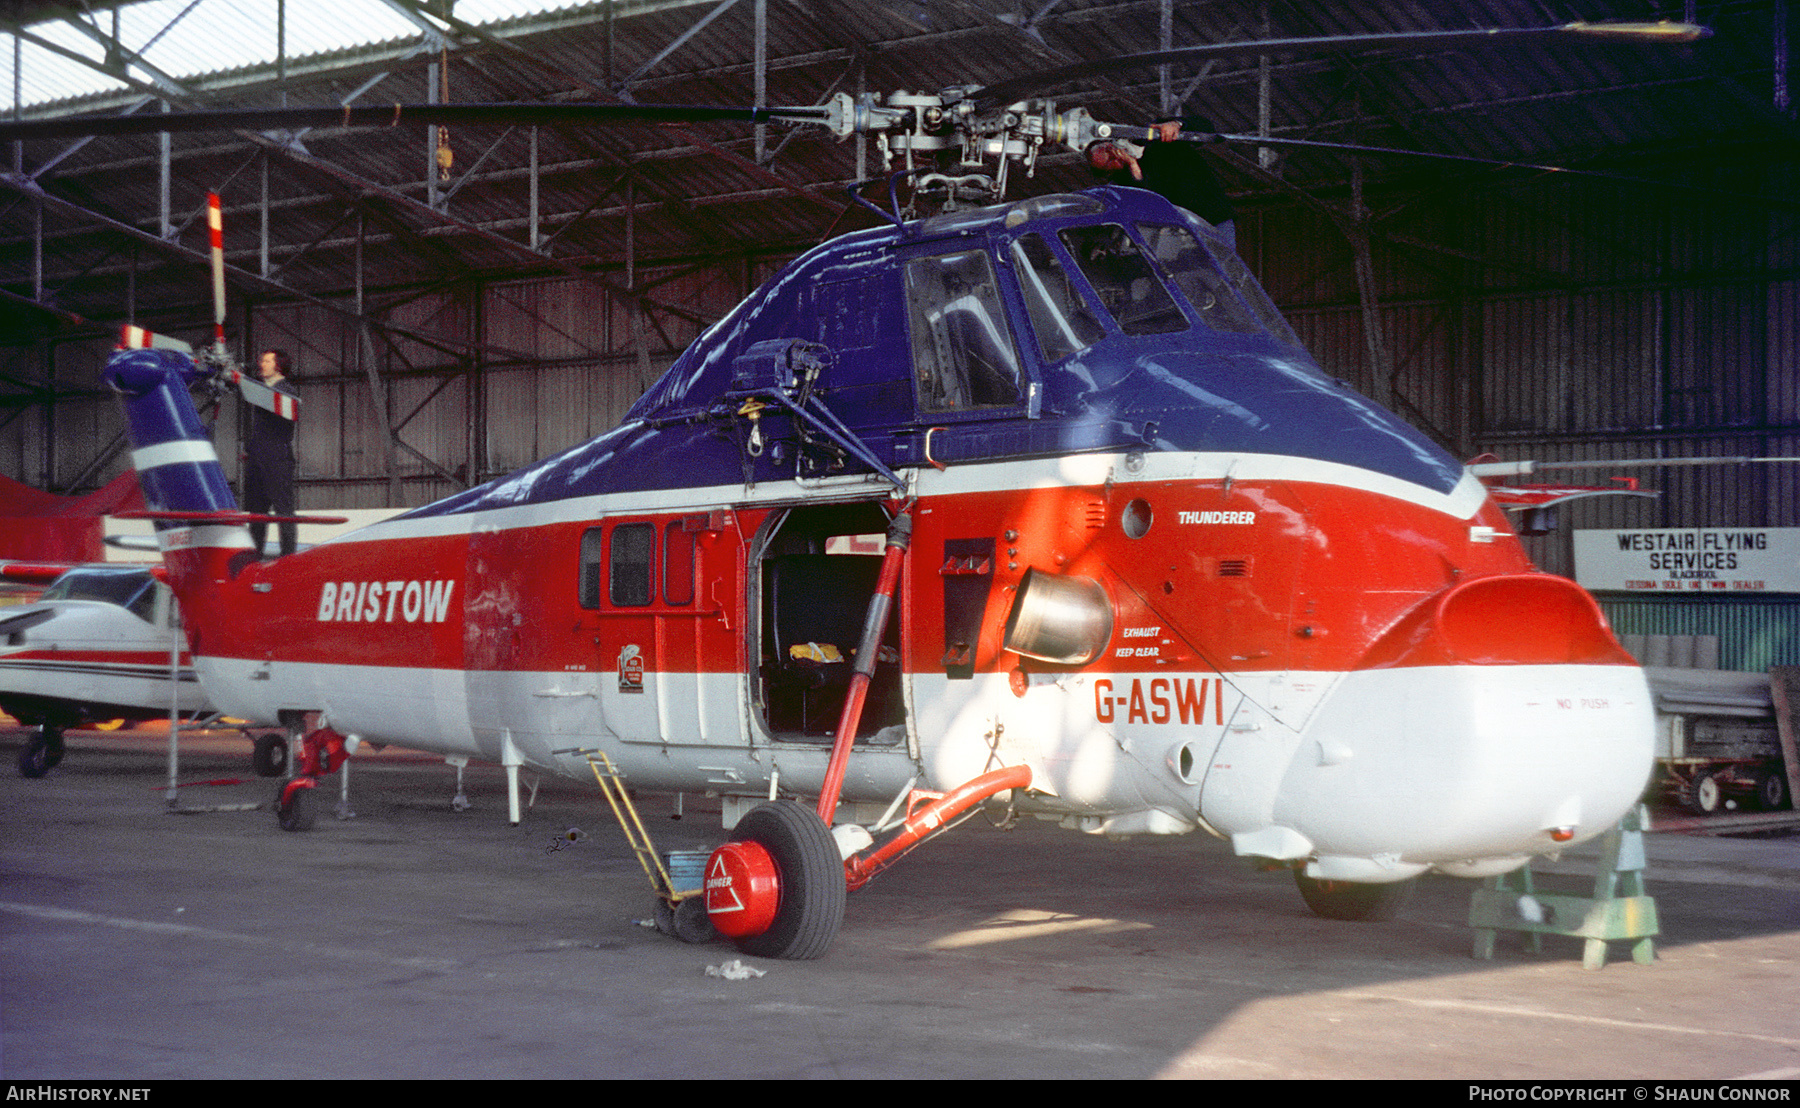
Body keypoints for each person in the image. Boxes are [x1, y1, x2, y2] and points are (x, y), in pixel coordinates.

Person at [1087, 117, 1236, 244]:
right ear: (1109, 171)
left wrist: (1177, 124)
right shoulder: (1125, 184)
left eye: (1108, 149)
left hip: (1214, 218)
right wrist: (1133, 164)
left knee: (1227, 271)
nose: (1115, 154)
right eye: (1110, 160)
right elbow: (1148, 198)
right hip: (1182, 234)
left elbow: (1206, 127)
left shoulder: (1152, 135)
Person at [242, 349, 299, 558]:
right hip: (258, 458)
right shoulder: (263, 392)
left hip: (277, 459)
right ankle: (255, 556)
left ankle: (289, 557)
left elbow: (276, 407)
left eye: (266, 361)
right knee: (256, 513)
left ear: (278, 365)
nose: (261, 364)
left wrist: (239, 379)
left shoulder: (287, 391)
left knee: (284, 511)